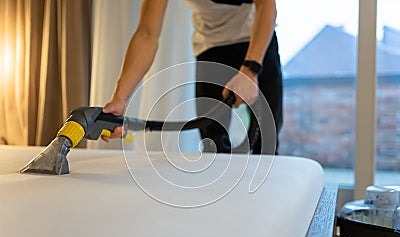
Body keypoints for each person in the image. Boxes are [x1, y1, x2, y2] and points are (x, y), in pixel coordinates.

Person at [102, 0, 283, 154]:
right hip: (212, 48)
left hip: (258, 43)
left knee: (267, 141)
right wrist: (119, 99)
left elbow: (266, 5)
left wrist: (250, 70)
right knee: (212, 143)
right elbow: (146, 34)